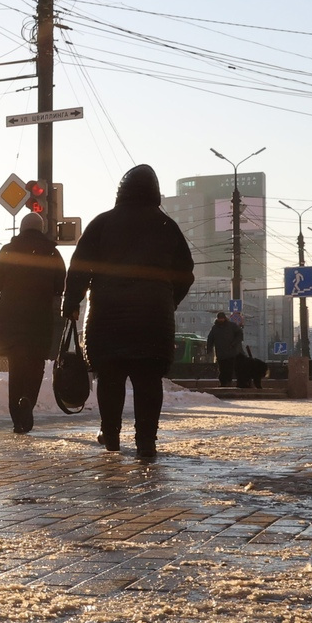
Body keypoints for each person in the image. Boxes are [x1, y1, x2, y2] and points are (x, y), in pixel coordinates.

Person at [61, 164, 195, 459]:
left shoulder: (103, 223)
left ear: (121, 191)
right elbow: (186, 271)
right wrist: (168, 300)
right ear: (155, 192)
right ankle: (146, 442)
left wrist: (71, 303)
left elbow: (79, 266)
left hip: (107, 318)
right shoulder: (166, 226)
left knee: (110, 380)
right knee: (148, 381)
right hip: (153, 320)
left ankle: (110, 437)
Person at [0, 211, 66, 434]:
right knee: (35, 365)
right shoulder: (52, 253)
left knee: (16, 368)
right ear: (40, 229)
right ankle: (28, 402)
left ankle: (16, 418)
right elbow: (61, 284)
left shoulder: (8, 250)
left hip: (11, 320)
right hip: (39, 320)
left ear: (21, 229)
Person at [206, 311, 244, 387]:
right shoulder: (215, 328)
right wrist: (209, 349)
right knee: (222, 368)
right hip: (220, 352)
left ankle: (228, 382)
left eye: (222, 318)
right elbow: (210, 339)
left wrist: (234, 343)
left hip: (231, 352)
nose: (221, 320)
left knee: (229, 368)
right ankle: (223, 382)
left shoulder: (232, 326)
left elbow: (240, 334)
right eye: (219, 318)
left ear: (224, 318)